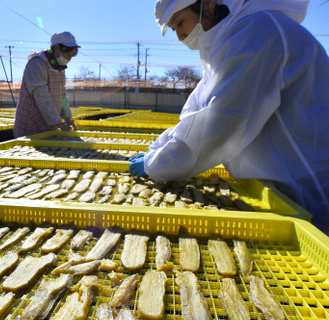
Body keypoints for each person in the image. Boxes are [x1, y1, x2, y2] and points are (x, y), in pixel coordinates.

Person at [129, 0, 329, 233]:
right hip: (276, 193)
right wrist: (157, 149)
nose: (180, 36)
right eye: (174, 29)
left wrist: (157, 164)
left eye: (180, 23)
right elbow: (196, 114)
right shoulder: (227, 44)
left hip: (306, 192)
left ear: (208, 4)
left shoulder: (260, 32)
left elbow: (221, 122)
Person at [14, 31, 79, 137]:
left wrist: (67, 117)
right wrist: (58, 122)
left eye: (72, 55)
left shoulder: (60, 67)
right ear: (57, 48)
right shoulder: (37, 64)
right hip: (31, 126)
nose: (69, 59)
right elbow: (42, 96)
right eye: (67, 54)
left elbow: (62, 95)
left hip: (50, 126)